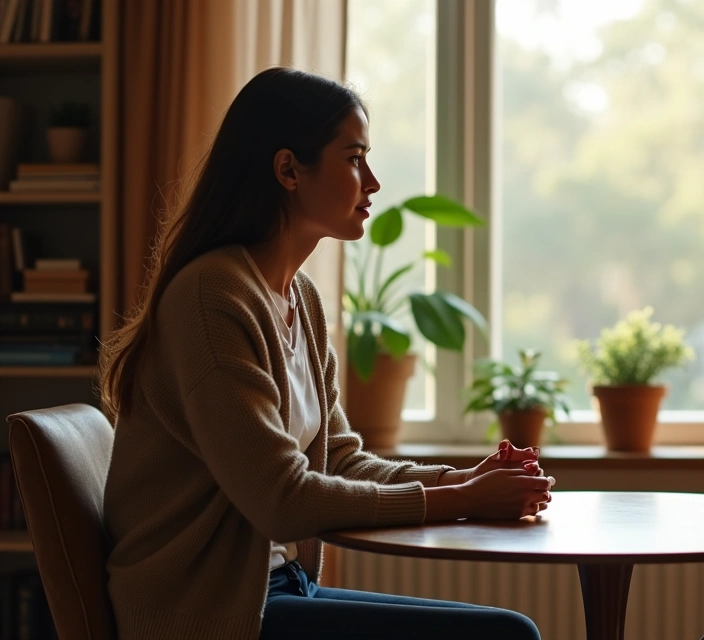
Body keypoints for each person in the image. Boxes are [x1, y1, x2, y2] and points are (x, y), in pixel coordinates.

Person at [99, 67, 553, 640]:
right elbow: (282, 500)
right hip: (204, 612)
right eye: (355, 158)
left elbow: (337, 460)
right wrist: (462, 499)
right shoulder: (211, 296)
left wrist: (460, 479)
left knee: (509, 629)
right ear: (288, 170)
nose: (374, 182)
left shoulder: (301, 299)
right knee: (508, 636)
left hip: (276, 591)